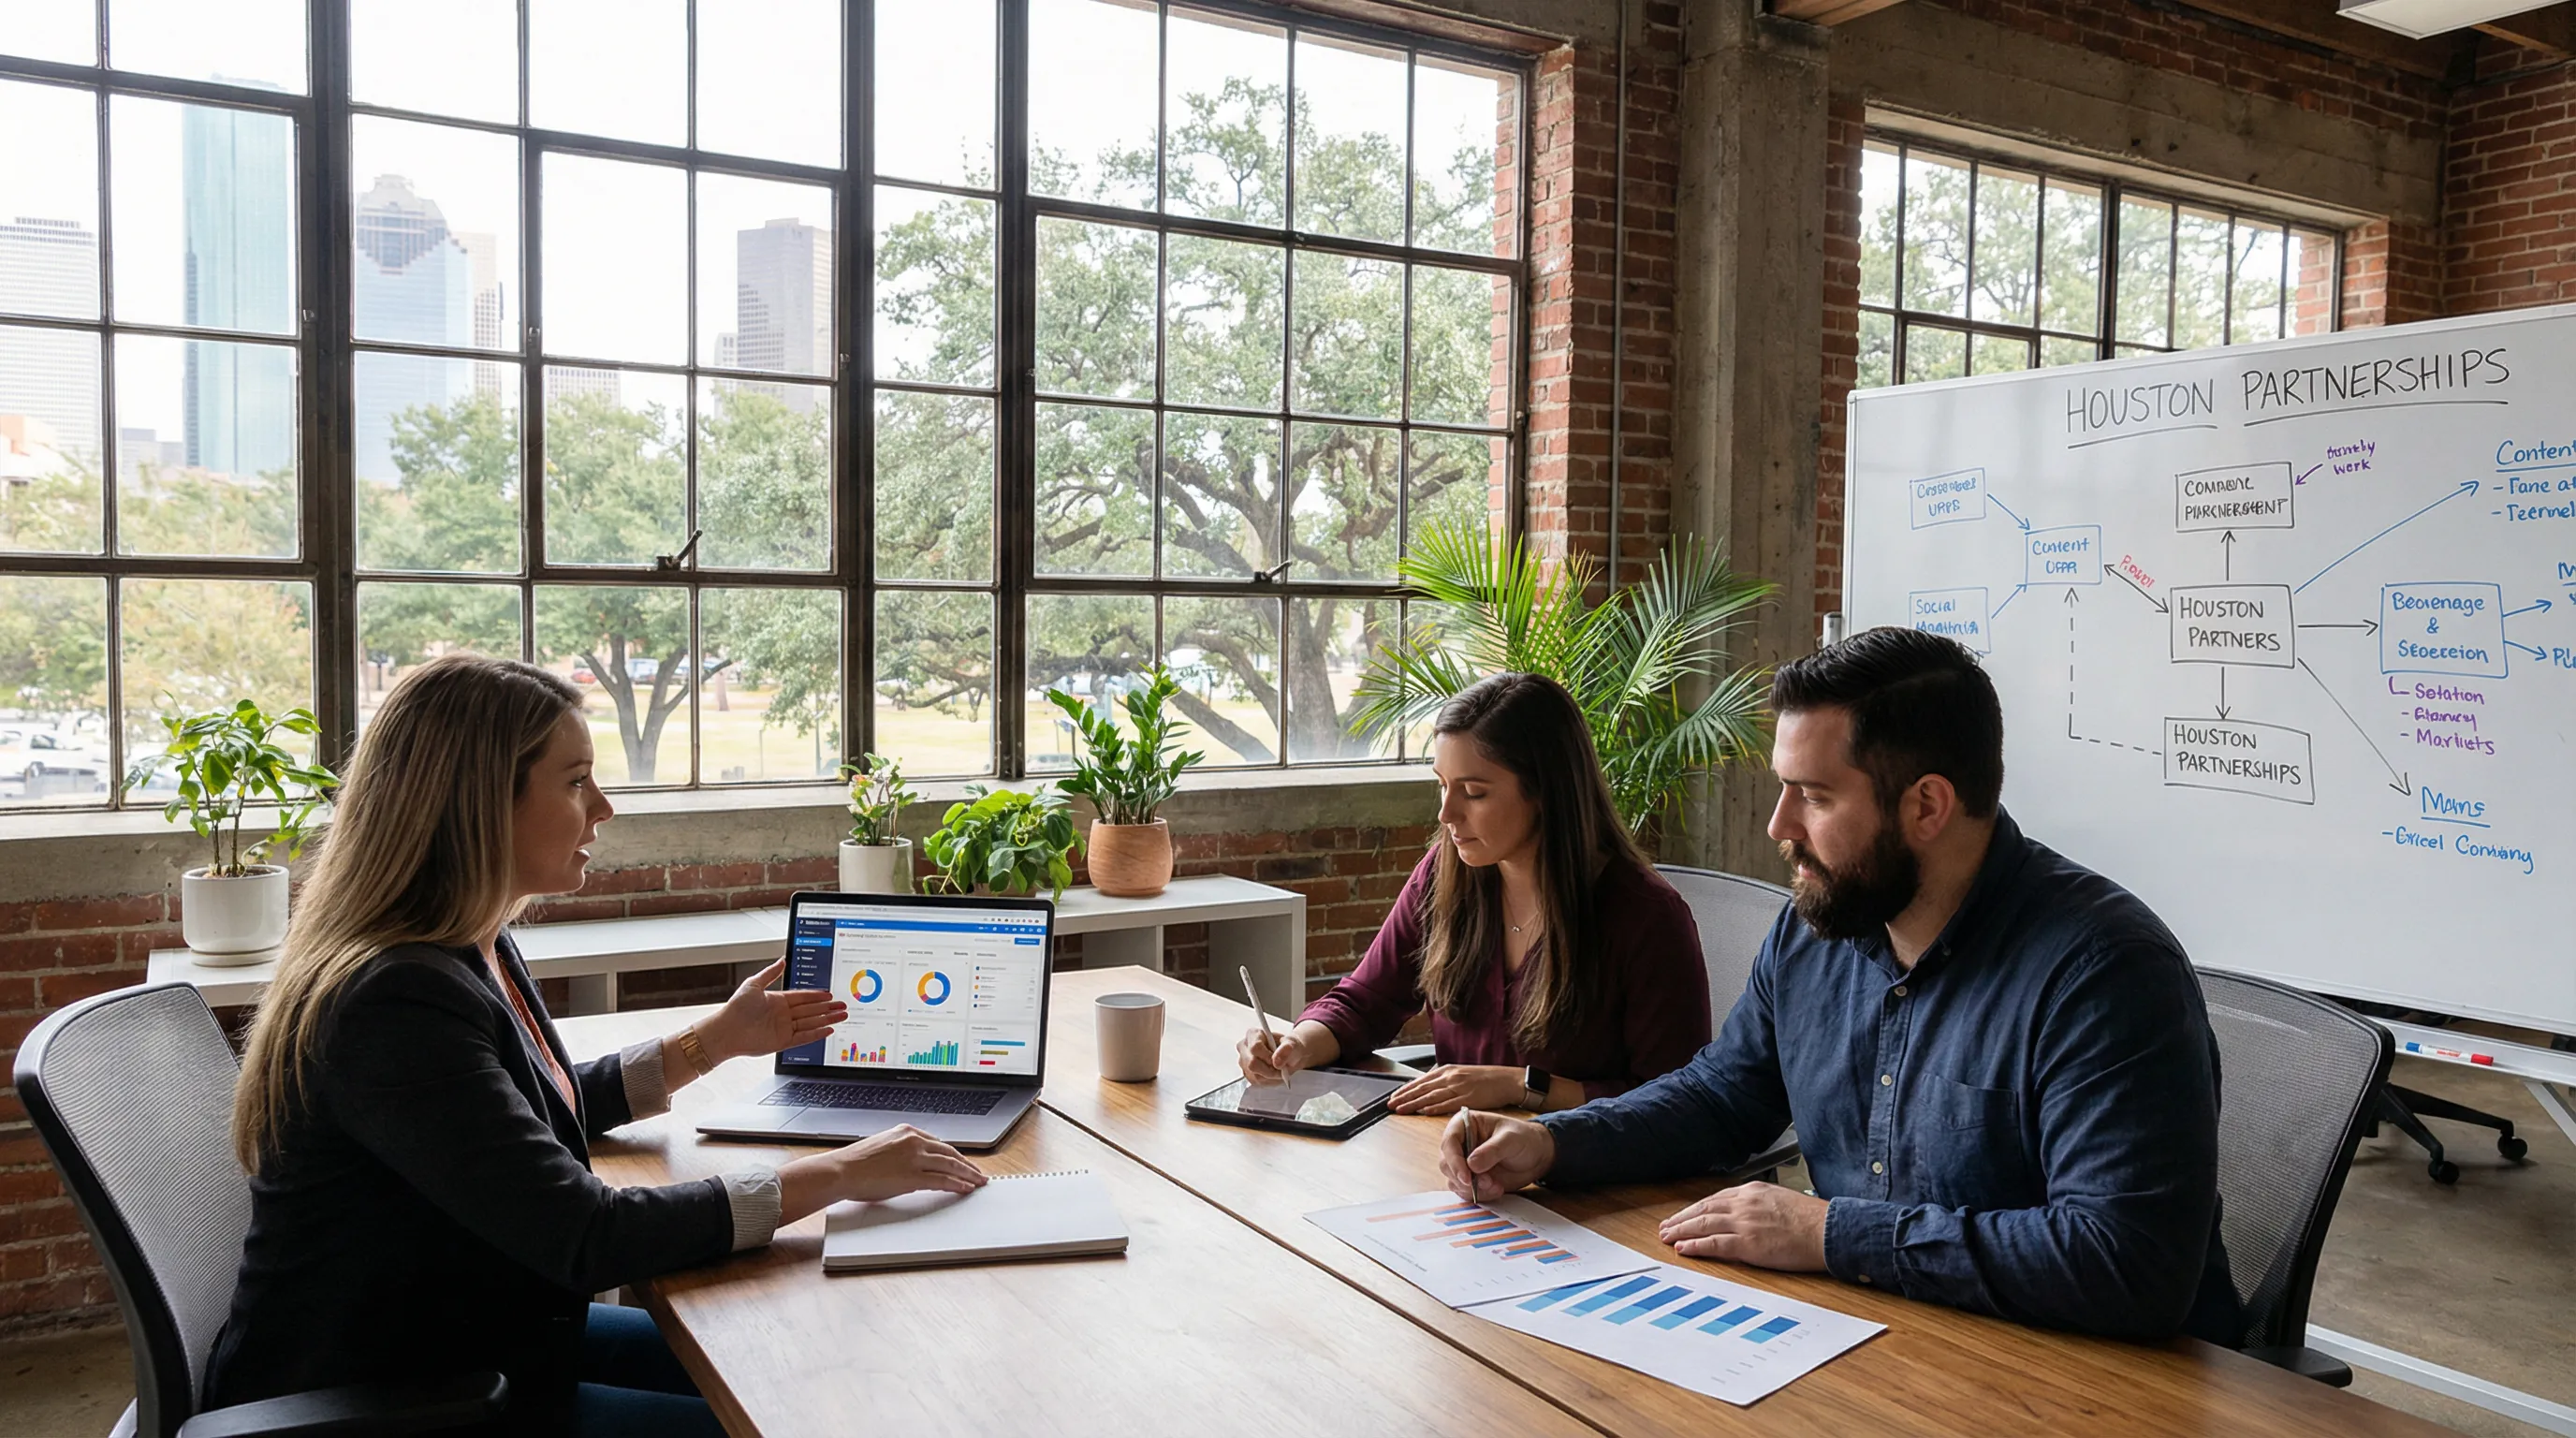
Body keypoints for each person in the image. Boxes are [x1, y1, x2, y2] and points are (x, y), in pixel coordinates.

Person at [205, 656, 988, 1435]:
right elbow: (588, 1236)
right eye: (576, 781)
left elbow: (525, 1116)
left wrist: (713, 1041)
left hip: (480, 1335)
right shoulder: (393, 1001)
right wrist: (840, 1172)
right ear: (480, 803)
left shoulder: (470, 948)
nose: (604, 807)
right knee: (786, 1407)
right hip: (393, 1397)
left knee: (803, 1367)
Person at [1438, 628, 2243, 1343]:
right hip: (1884, 1338)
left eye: (1814, 796)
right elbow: (1722, 1097)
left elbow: (2126, 1264)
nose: (1778, 825)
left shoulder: (2104, 974)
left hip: (2097, 1383)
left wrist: (1830, 1235)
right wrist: (1554, 1142)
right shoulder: (1816, 929)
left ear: (1927, 805)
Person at [1237, 671, 1710, 1116]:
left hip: (1591, 1182)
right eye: (1442, 786)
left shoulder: (1645, 917)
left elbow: (1676, 1104)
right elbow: (1365, 1002)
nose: (1446, 814)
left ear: (1545, 791)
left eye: (1474, 793)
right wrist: (1298, 1043)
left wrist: (1521, 1086)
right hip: (1458, 1161)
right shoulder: (1445, 876)